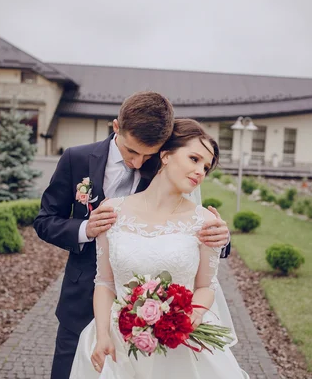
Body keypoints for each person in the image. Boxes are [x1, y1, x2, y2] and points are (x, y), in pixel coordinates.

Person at [33, 92, 231, 379]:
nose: (138, 163)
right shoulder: (76, 159)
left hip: (154, 315)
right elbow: (44, 220)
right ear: (116, 128)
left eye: (148, 156)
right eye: (131, 152)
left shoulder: (163, 164)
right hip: (82, 299)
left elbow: (188, 229)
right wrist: (85, 229)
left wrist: (221, 238)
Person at [69, 119, 248, 378]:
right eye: (194, 159)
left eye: (206, 167)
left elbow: (206, 286)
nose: (200, 171)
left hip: (179, 344)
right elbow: (105, 282)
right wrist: (103, 334)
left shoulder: (206, 222)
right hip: (120, 342)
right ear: (165, 155)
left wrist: (188, 319)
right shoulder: (113, 211)